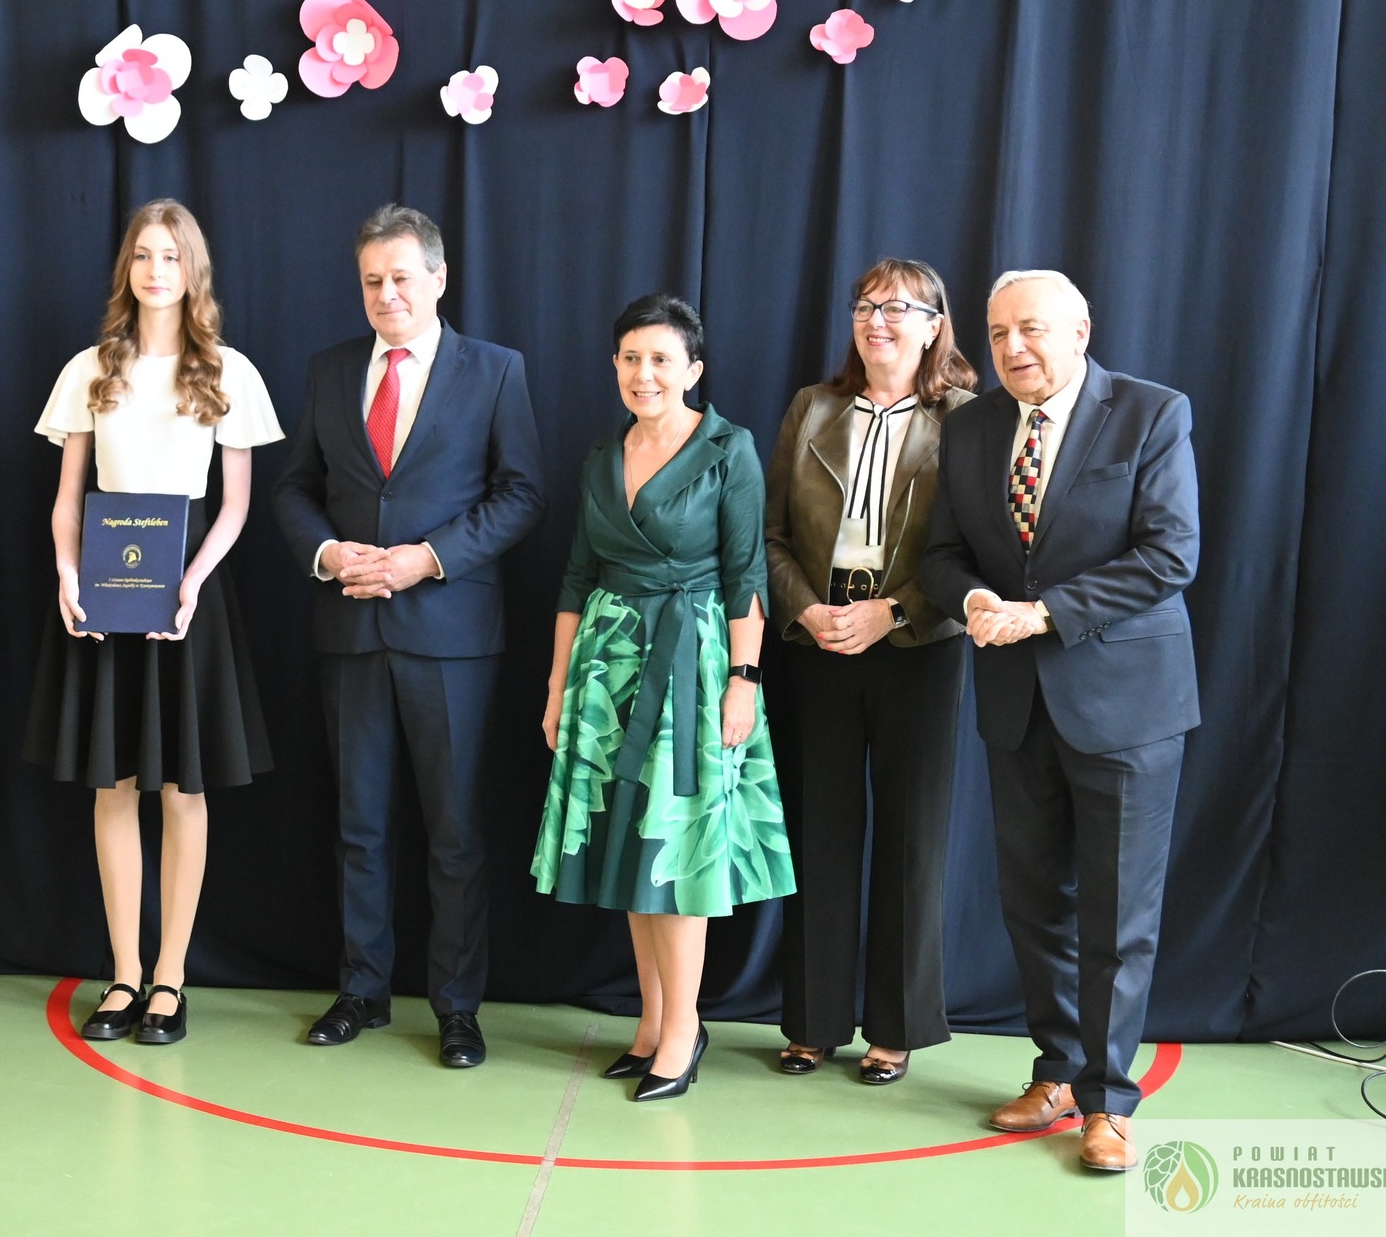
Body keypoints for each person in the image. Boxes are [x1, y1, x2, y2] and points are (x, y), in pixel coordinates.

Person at [919, 269, 1199, 1172]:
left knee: (1118, 914)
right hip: (1017, 704)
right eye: (1000, 333)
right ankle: (1058, 1070)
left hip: (1128, 705)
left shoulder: (1151, 413)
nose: (1014, 349)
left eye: (1032, 329)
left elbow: (1171, 553)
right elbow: (940, 555)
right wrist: (973, 600)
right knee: (1035, 904)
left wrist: (1044, 613)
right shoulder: (971, 427)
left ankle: (1109, 1102)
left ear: (1081, 330)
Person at [271, 204, 544, 1068]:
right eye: (371, 281)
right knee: (359, 824)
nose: (386, 293)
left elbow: (521, 492)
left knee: (455, 833)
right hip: (349, 627)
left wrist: (429, 558)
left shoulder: (495, 370)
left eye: (399, 277)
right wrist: (326, 553)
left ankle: (457, 1007)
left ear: (438, 278)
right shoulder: (328, 369)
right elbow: (294, 488)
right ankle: (362, 989)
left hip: (452, 636)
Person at [24, 199, 282, 1045]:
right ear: (126, 269)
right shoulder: (89, 369)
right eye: (143, 254)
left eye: (171, 255)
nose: (156, 269)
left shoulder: (229, 372)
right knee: (113, 785)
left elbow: (234, 505)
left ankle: (171, 975)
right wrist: (68, 574)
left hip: (186, 601)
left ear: (192, 269)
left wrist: (193, 581)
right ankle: (124, 974)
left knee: (182, 788)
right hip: (105, 597)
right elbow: (68, 499)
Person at [533, 293, 793, 1101]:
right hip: (607, 662)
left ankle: (684, 1028)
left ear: (693, 369)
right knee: (630, 847)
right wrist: (558, 684)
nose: (643, 373)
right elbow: (576, 576)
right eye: (630, 358)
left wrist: (744, 681)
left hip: (694, 663)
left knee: (677, 851)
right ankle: (651, 1022)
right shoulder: (602, 452)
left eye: (660, 359)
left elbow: (747, 575)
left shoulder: (728, 448)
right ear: (614, 365)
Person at [763, 259, 976, 1084]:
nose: (875, 320)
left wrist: (895, 611)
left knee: (911, 837)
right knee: (818, 829)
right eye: (863, 305)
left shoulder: (967, 418)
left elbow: (977, 547)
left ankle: (896, 1026)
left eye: (896, 308)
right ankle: (812, 1021)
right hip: (818, 638)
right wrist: (807, 611)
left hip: (917, 642)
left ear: (933, 325)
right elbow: (771, 535)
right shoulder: (812, 408)